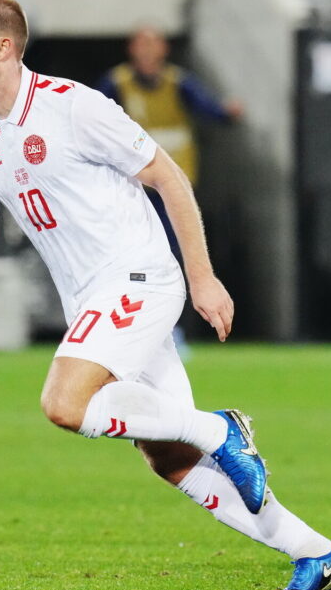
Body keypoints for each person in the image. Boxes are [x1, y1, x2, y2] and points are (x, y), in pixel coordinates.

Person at [0, 0, 331, 590]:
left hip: (139, 277)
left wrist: (202, 277)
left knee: (65, 402)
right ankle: (315, 552)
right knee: (167, 457)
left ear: (3, 47)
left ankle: (220, 429)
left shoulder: (74, 106)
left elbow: (168, 177)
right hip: (92, 300)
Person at [95, 27, 243, 351]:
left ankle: (173, 330)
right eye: (142, 44)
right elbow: (93, 119)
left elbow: (208, 108)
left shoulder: (179, 82)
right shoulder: (116, 82)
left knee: (176, 257)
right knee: (132, 258)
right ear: (132, 49)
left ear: (163, 49)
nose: (148, 52)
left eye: (153, 44)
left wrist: (226, 113)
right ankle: (129, 327)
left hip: (174, 190)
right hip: (134, 189)